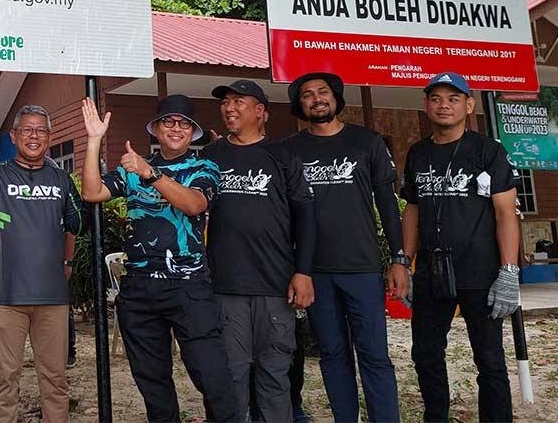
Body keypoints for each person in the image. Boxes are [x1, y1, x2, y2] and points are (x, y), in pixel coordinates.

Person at [80, 95, 238, 423]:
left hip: (188, 286)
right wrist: (94, 139)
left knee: (212, 377)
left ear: (192, 132)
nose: (176, 128)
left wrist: (150, 173)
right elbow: (92, 192)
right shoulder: (133, 168)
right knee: (153, 382)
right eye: (169, 121)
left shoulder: (203, 167)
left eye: (184, 123)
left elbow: (195, 204)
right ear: (157, 128)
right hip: (138, 289)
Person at [0, 103, 84, 423]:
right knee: (4, 379)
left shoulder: (62, 179)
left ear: (49, 137)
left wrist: (67, 260)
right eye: (27, 129)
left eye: (41, 130)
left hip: (52, 298)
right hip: (6, 297)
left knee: (55, 379)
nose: (34, 136)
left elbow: (76, 223)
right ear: (14, 135)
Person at [282, 72, 404, 422]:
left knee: (375, 355)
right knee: (334, 355)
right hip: (314, 271)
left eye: (323, 92)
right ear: (300, 105)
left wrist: (398, 258)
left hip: (362, 268)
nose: (316, 98)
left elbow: (387, 201)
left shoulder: (366, 142)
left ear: (336, 99)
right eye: (307, 94)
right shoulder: (290, 149)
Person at [402, 72, 521, 422]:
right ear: (425, 105)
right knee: (425, 354)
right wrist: (403, 260)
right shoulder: (418, 154)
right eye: (436, 98)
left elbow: (505, 214)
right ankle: (435, 416)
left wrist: (509, 272)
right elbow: (411, 208)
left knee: (489, 358)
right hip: (431, 272)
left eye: (454, 98)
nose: (444, 105)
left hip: (479, 271)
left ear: (469, 105)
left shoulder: (488, 152)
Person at [203, 80, 315, 423]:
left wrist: (303, 271)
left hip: (274, 287)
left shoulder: (282, 156)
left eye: (239, 101)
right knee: (231, 377)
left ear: (260, 111)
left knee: (274, 377)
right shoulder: (210, 157)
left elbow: (306, 216)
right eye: (225, 102)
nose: (229, 107)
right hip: (225, 289)